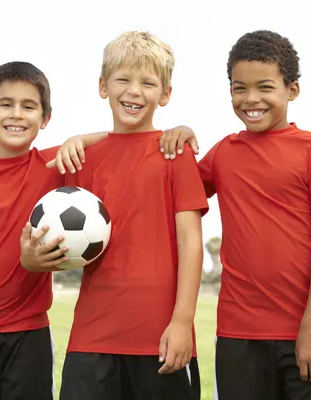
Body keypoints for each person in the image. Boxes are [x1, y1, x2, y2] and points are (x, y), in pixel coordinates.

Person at [0, 60, 197, 400]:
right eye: (5, 105)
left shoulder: (54, 166)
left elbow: (121, 142)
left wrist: (179, 130)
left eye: (28, 107)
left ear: (44, 119)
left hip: (29, 332)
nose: (16, 115)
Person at [21, 31, 208, 400]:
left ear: (166, 94)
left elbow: (191, 243)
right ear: (103, 86)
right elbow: (19, 177)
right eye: (123, 79)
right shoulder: (79, 157)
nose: (134, 91)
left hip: (161, 340)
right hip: (92, 338)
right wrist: (30, 258)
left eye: (148, 83)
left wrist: (183, 321)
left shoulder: (176, 154)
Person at [167, 29, 311, 400]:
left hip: (306, 335)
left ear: (291, 90)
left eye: (265, 87)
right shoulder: (223, 154)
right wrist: (183, 139)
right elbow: (172, 196)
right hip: (238, 336)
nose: (251, 99)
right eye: (239, 88)